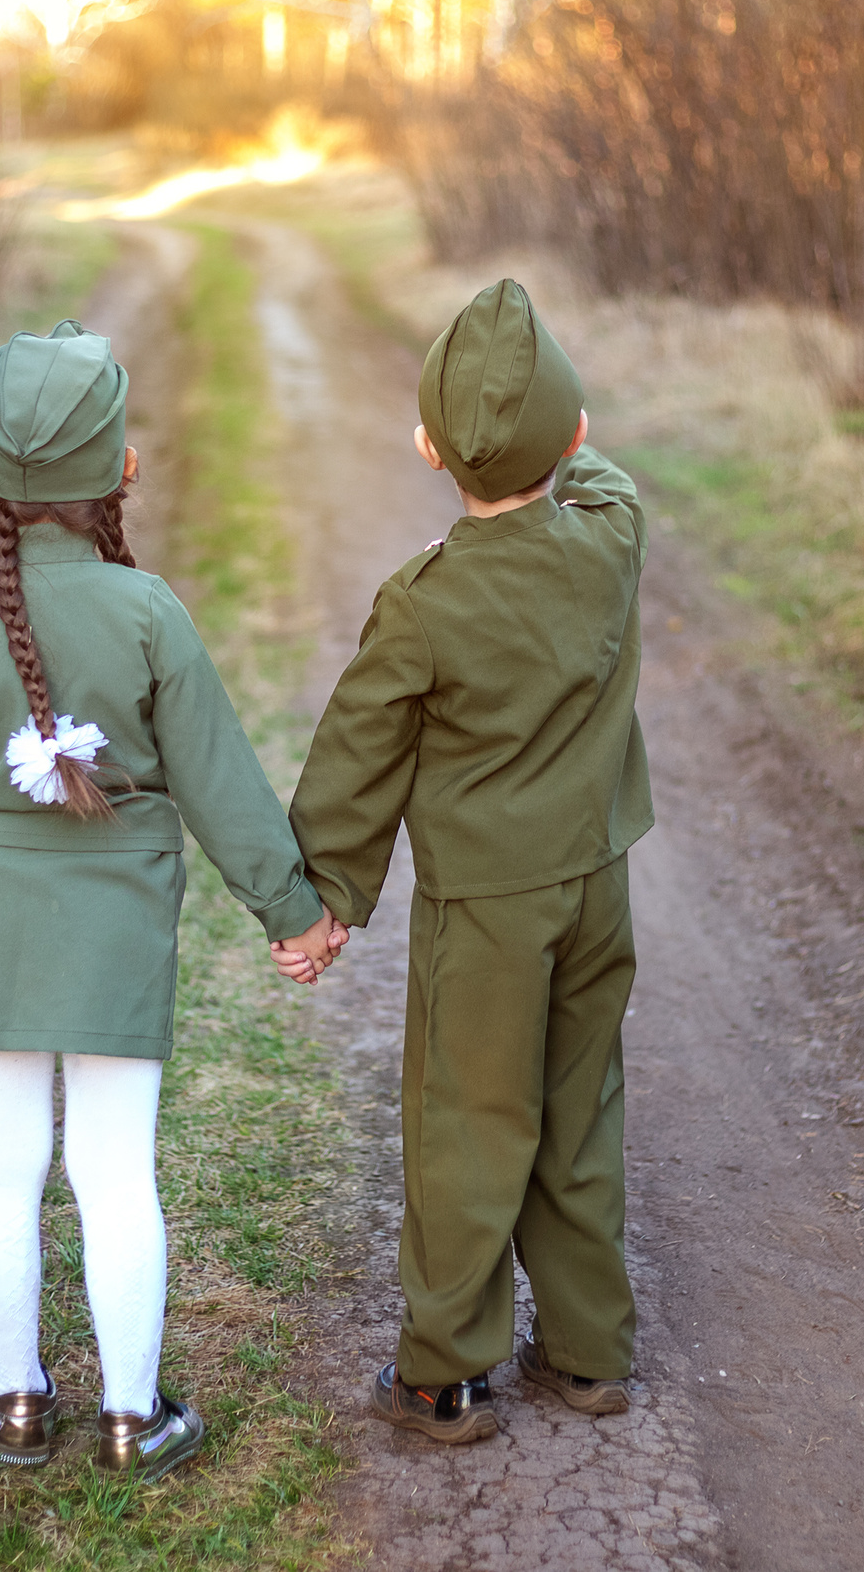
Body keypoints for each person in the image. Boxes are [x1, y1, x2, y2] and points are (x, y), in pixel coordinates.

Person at [0, 320, 341, 1480]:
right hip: (118, 929)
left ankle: (17, 1403)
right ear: (123, 471)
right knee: (114, 1170)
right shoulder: (152, 615)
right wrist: (292, 912)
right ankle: (133, 1419)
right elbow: (222, 782)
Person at [279, 278, 652, 1445]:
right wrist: (561, 437)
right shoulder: (610, 539)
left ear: (428, 449)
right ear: (573, 433)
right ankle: (589, 1353)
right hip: (595, 887)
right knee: (579, 1113)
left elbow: (358, 755)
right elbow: (596, 473)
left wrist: (326, 896)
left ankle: (443, 1374)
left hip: (486, 909)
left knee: (467, 1122)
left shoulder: (422, 604)